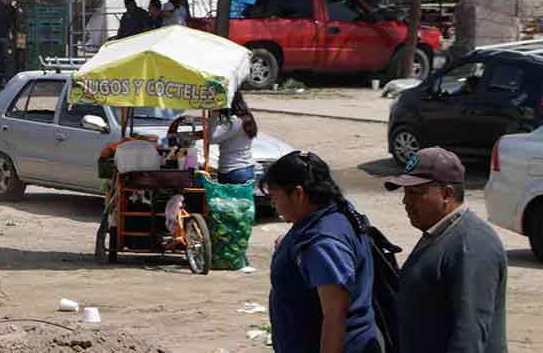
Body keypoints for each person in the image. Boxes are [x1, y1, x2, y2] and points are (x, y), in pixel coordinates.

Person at [384, 147, 507, 353]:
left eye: (415, 193)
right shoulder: (439, 235)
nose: (405, 201)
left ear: (447, 193)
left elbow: (469, 334)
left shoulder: (472, 245)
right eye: (405, 193)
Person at [262, 151, 382, 353]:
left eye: (275, 198)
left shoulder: (323, 244)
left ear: (298, 194)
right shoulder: (333, 212)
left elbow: (335, 316)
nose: (274, 206)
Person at [209, 92, 257, 184]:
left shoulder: (235, 121)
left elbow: (212, 138)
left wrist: (214, 113)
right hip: (246, 168)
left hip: (233, 170)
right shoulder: (246, 117)